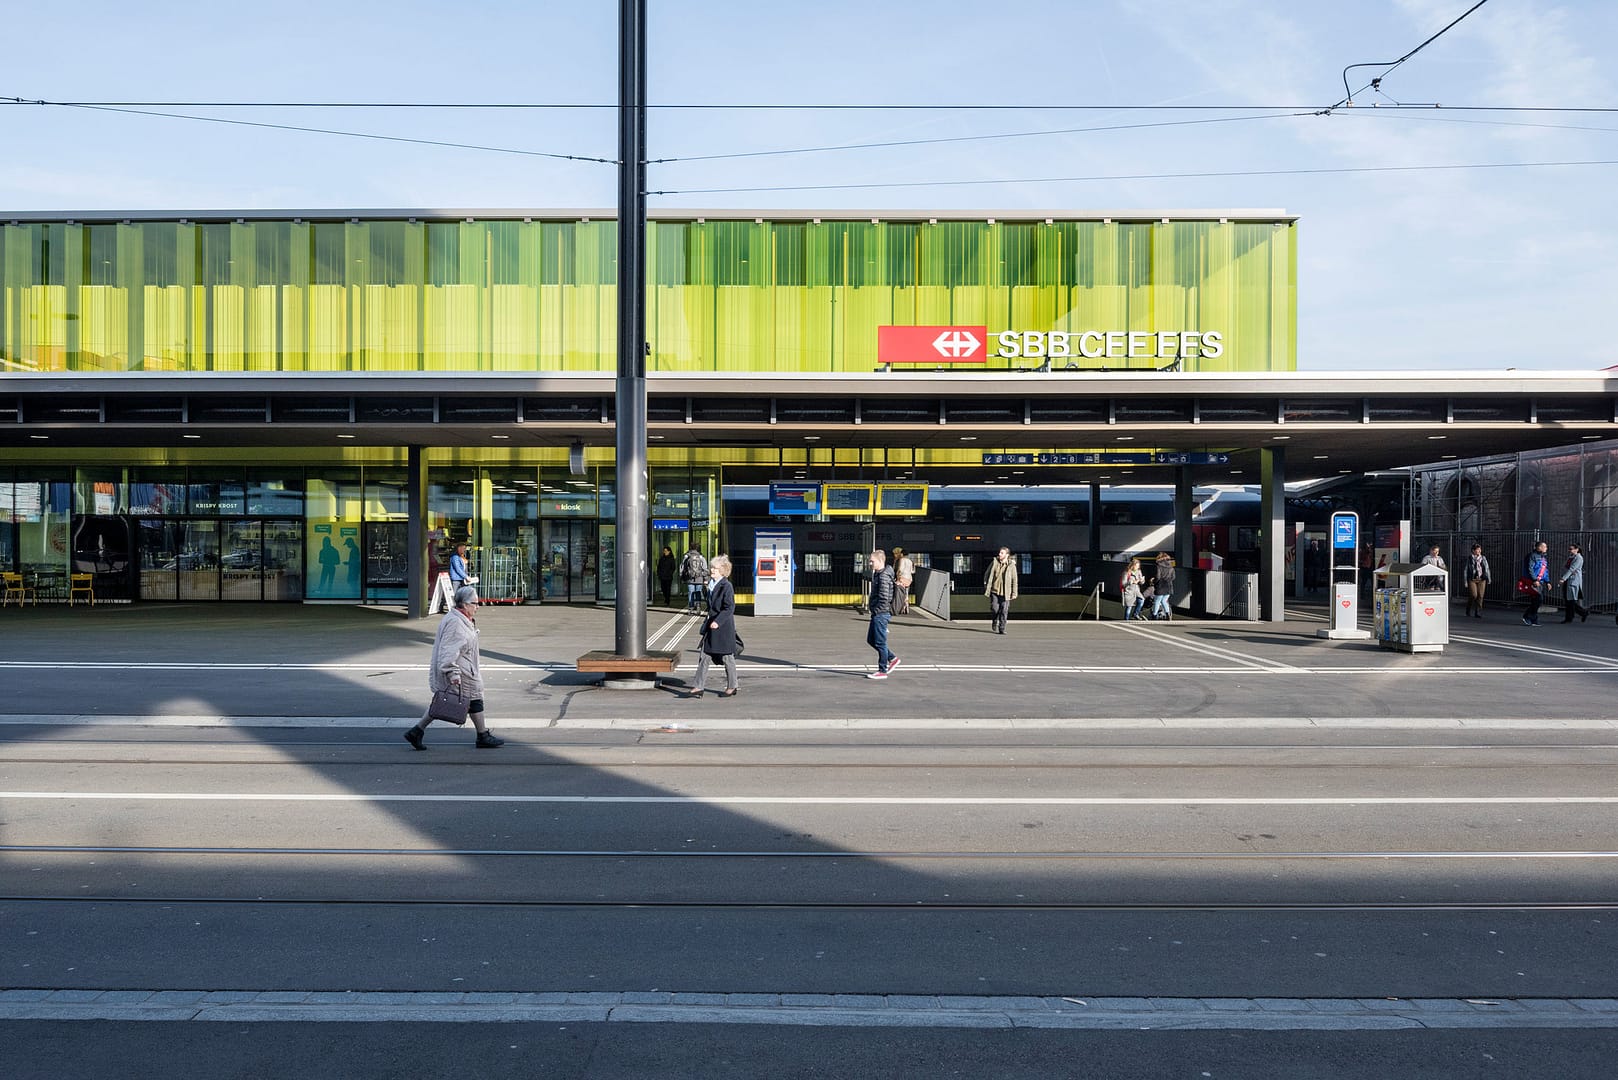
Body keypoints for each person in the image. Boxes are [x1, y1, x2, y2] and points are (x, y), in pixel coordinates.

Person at [403, 586, 504, 750]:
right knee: (467, 700)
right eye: (475, 603)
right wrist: (452, 673)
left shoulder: (459, 618)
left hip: (465, 669)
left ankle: (417, 731)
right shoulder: (457, 623)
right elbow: (448, 652)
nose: (478, 607)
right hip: (462, 671)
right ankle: (482, 736)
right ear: (464, 604)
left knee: (448, 702)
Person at [687, 555, 739, 698]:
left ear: (723, 571)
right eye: (712, 567)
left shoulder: (726, 586)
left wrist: (718, 621)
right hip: (711, 625)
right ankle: (698, 686)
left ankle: (732, 686)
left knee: (727, 657)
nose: (712, 570)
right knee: (704, 655)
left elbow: (729, 607)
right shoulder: (711, 584)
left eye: (715, 568)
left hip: (722, 627)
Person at [865, 549, 900, 679]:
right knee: (871, 640)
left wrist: (877, 610)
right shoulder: (879, 574)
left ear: (880, 561)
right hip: (878, 613)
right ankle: (892, 658)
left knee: (880, 642)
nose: (870, 563)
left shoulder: (884, 576)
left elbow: (884, 597)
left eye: (872, 561)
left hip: (881, 613)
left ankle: (882, 670)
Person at [983, 546, 1018, 634]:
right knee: (995, 609)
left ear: (1007, 555)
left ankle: (1002, 628)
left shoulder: (1012, 566)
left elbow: (1014, 580)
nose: (999, 554)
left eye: (1002, 553)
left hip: (1006, 593)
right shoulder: (994, 563)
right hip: (994, 591)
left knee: (1004, 610)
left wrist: (1014, 593)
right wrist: (986, 585)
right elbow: (987, 574)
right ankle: (994, 621)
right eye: (999, 552)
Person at [1559, 542, 1588, 624]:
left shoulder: (1579, 558)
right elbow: (1566, 567)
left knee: (1571, 600)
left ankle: (1578, 614)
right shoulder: (1571, 557)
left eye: (1571, 549)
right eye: (1569, 549)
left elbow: (1572, 569)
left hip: (1573, 581)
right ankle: (1579, 614)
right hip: (1568, 580)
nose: (1569, 550)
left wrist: (1563, 578)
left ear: (1577, 549)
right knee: (1568, 599)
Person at [1523, 540, 1550, 627]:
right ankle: (1528, 616)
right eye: (1544, 547)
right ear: (1539, 547)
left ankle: (1533, 618)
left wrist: (1547, 581)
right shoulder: (1532, 556)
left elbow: (1544, 570)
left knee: (1537, 600)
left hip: (1540, 582)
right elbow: (1530, 568)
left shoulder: (1543, 558)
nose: (1546, 548)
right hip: (1533, 582)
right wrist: (1534, 580)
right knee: (1538, 599)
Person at [1463, 543, 1491, 618]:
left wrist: (1488, 578)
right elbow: (1466, 570)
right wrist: (1465, 581)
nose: (1479, 551)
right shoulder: (1469, 559)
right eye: (1477, 549)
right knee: (1473, 595)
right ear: (1473, 550)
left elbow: (1487, 568)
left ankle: (1478, 612)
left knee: (1480, 595)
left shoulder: (1483, 558)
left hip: (1481, 578)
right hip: (1472, 578)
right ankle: (1468, 609)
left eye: (1480, 549)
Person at [680, 547, 709, 614]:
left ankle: (690, 608)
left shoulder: (687, 557)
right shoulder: (701, 557)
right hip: (699, 578)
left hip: (690, 578)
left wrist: (682, 577)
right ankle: (698, 607)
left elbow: (682, 567)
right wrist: (705, 578)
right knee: (698, 592)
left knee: (691, 592)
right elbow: (705, 569)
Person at [1150, 552, 1175, 619]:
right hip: (1169, 586)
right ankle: (1168, 614)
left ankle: (1154, 615)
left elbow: (1158, 577)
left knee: (1157, 601)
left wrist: (1153, 581)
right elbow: (1173, 577)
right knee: (1164, 600)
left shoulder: (1159, 566)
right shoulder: (1171, 567)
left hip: (1160, 586)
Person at [892, 546, 914, 616]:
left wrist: (898, 576)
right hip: (909, 579)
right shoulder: (910, 561)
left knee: (900, 593)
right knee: (906, 593)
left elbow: (900, 569)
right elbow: (912, 571)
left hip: (902, 578)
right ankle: (906, 606)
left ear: (902, 554)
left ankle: (901, 607)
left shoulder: (902, 560)